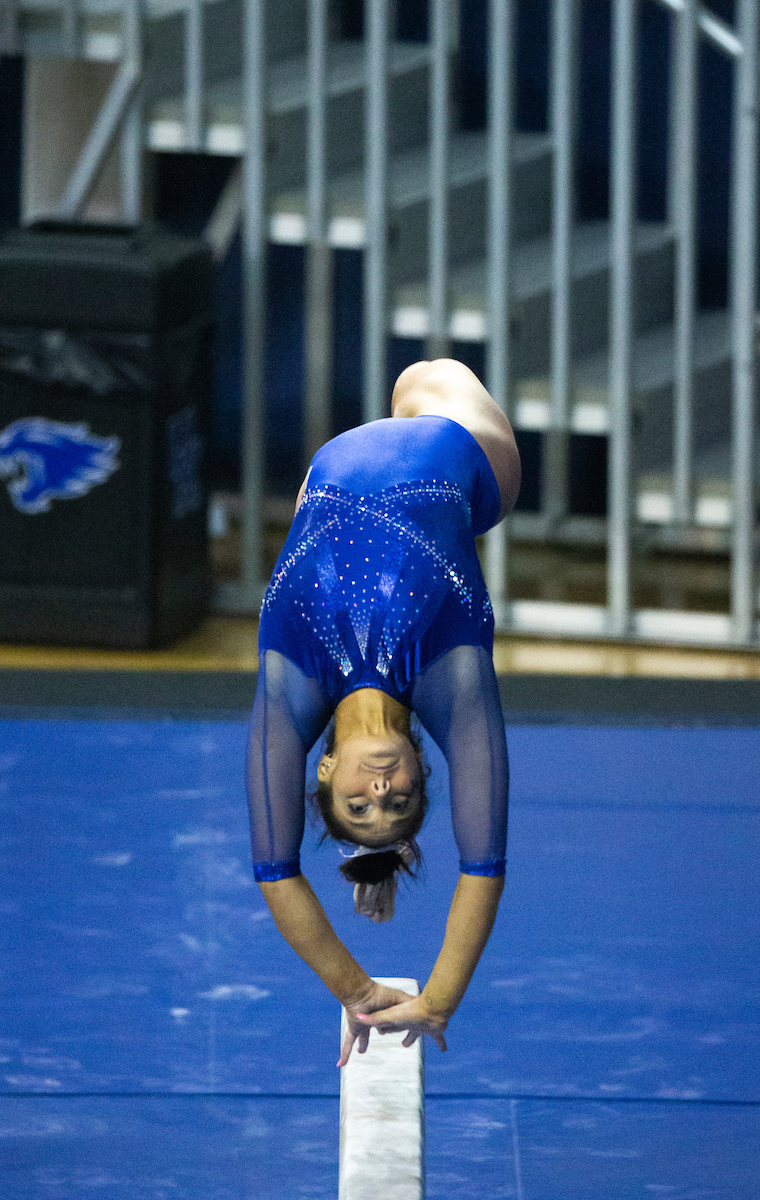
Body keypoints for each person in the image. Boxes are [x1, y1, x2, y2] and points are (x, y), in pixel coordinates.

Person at [246, 358, 520, 1067]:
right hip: (463, 448)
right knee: (425, 377)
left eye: (359, 805)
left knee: (396, 401)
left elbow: (275, 871)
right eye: (398, 802)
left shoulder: (291, 689)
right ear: (422, 773)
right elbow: (483, 865)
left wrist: (356, 991)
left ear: (324, 771)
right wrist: (437, 1001)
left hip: (331, 470)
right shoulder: (452, 680)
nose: (379, 790)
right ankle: (381, 854)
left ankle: (379, 856)